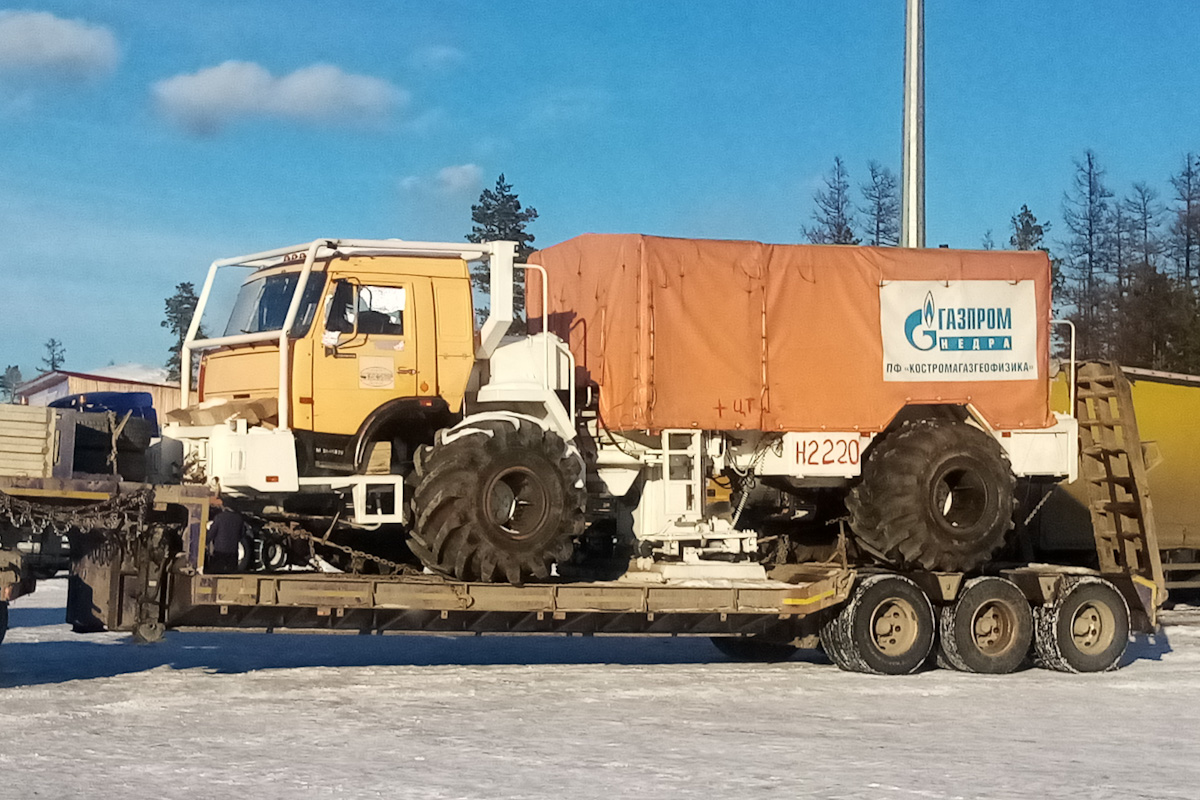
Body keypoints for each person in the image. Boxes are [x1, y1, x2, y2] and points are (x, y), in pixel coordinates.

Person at [206, 503, 244, 574]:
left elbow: (211, 533)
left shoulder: (219, 517)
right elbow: (241, 535)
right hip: (233, 551)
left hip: (219, 551)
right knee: (231, 574)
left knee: (217, 573)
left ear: (224, 507)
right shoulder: (239, 518)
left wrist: (205, 542)